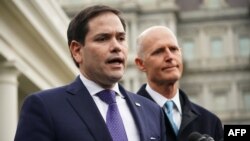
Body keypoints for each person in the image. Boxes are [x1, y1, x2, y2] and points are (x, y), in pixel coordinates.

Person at [14, 5, 166, 141]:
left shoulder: (152, 111)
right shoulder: (45, 107)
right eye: (103, 38)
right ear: (77, 51)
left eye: (121, 38)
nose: (116, 47)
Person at [135, 26, 224, 141]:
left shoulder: (210, 122)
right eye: (158, 51)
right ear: (141, 64)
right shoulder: (127, 117)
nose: (170, 57)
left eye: (173, 49)